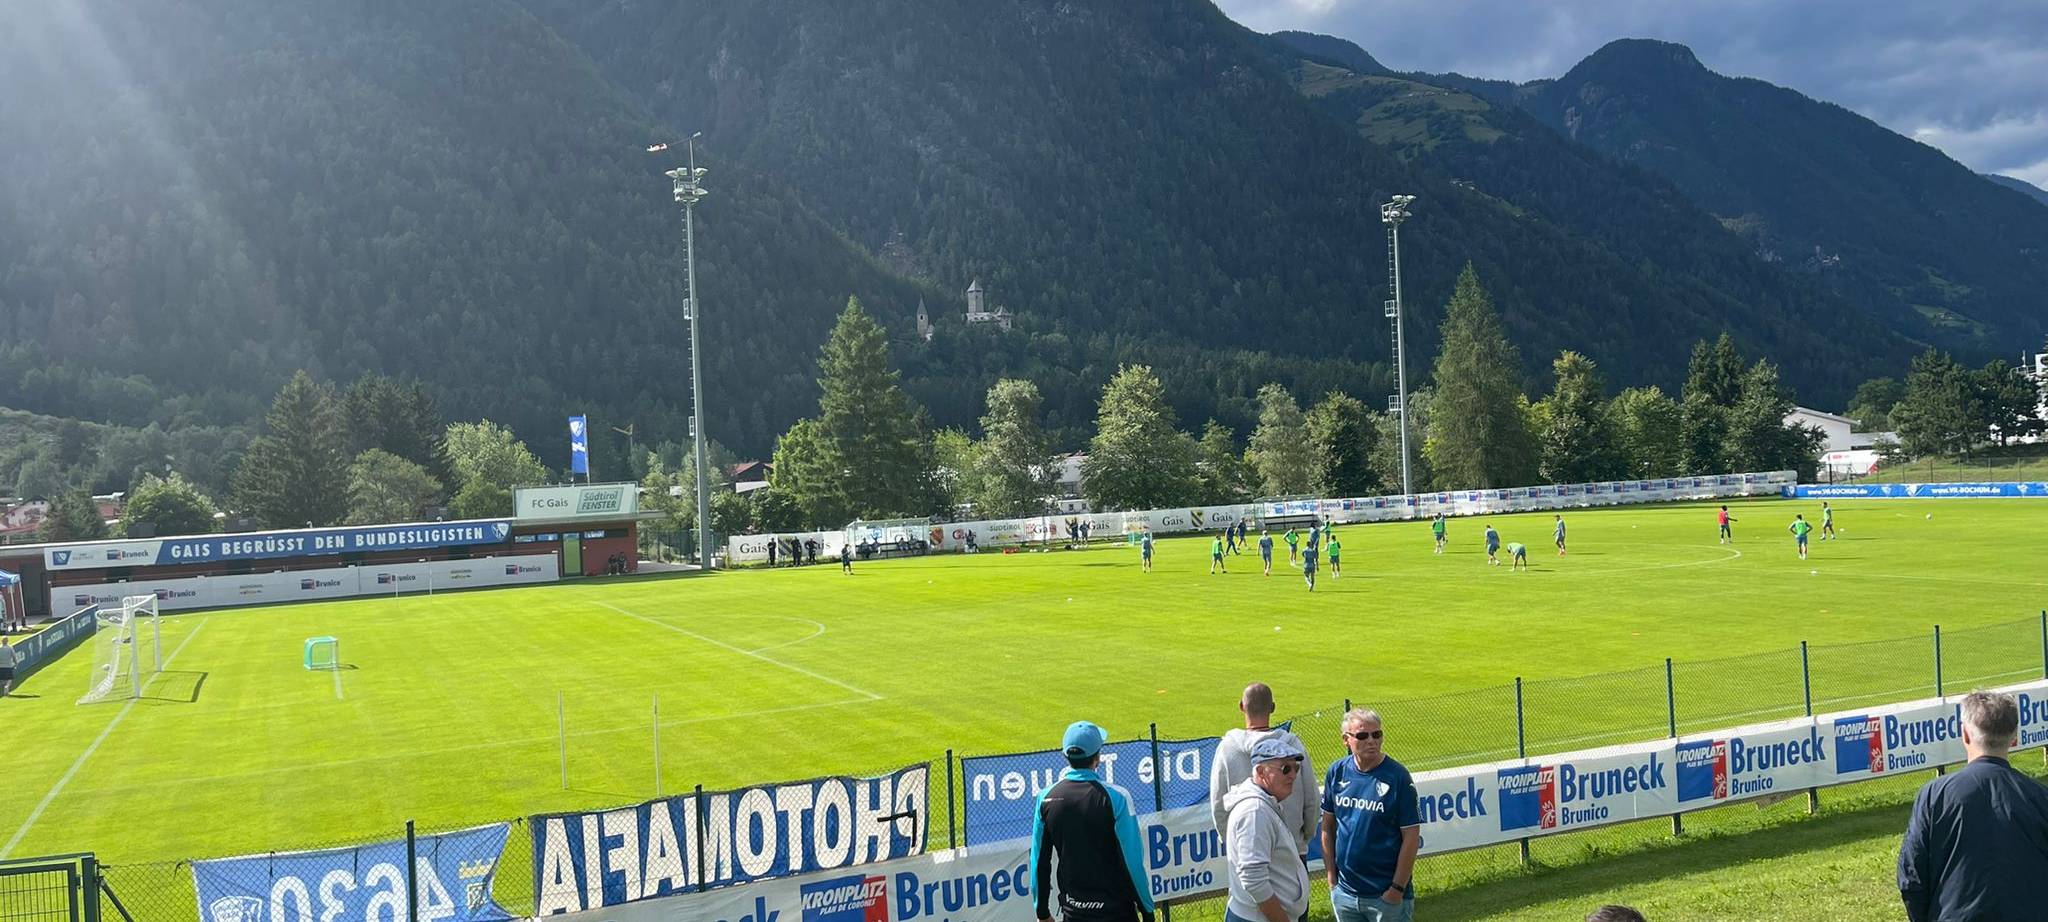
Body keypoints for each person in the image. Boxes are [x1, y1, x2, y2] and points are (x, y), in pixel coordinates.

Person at [1897, 690, 2048, 922]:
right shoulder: (2039, 797)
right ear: (2015, 738)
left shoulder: (1935, 796)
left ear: (1965, 735)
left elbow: (1912, 877)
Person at [1030, 721, 1156, 922]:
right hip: (1117, 914)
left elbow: (1039, 862)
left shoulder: (1045, 798)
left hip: (1074, 914)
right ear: (1097, 758)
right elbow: (1132, 862)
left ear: (1065, 756)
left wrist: (1042, 913)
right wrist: (1147, 910)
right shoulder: (1117, 798)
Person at [1321, 709, 1420, 922]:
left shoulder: (1398, 777)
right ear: (1346, 740)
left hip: (1385, 897)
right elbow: (1327, 827)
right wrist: (1332, 879)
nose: (1371, 741)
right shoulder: (1336, 772)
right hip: (1345, 895)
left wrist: (1396, 889)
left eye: (1377, 734)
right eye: (1363, 736)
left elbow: (1411, 836)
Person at [1209, 683, 1320, 858]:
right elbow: (1312, 799)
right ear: (1273, 707)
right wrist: (1301, 839)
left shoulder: (1227, 748)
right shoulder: (1293, 745)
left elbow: (1218, 803)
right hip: (1291, 849)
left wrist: (1230, 840)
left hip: (1246, 850)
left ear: (1241, 706)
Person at [1223, 737, 1313, 922]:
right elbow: (1254, 881)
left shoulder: (1265, 804)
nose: (1293, 775)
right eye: (1285, 769)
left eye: (1295, 768)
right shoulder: (1255, 812)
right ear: (1260, 771)